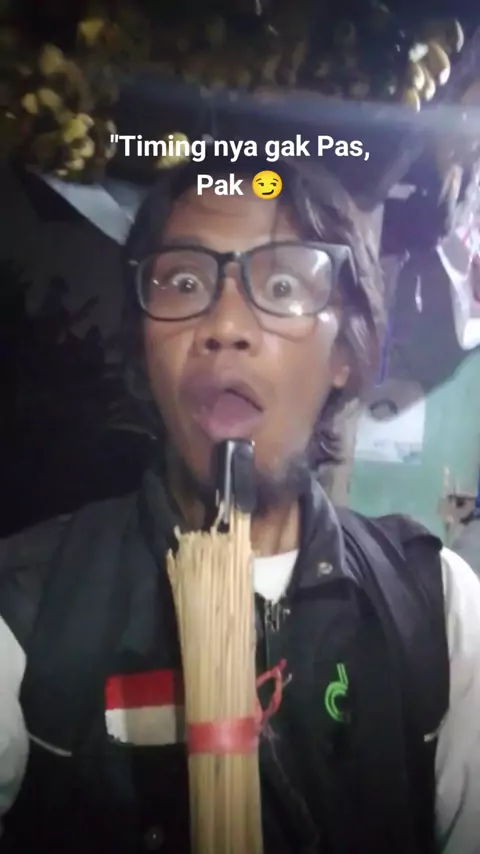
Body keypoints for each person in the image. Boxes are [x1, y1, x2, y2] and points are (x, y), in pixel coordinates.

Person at [1, 153, 480, 854]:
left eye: (283, 283)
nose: (226, 323)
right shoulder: (26, 612)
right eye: (184, 282)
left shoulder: (438, 611)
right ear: (144, 343)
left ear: (345, 354)